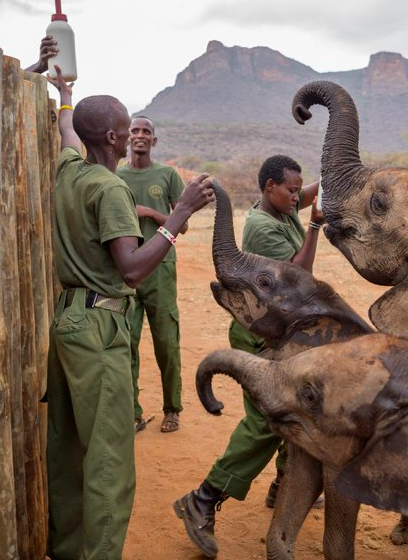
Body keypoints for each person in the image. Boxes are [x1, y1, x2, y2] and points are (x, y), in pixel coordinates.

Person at [45, 65, 214, 560]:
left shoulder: (69, 170)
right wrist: (178, 216)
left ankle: (68, 549)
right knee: (110, 461)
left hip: (69, 321)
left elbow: (66, 131)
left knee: (70, 451)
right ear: (117, 137)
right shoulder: (110, 189)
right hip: (100, 329)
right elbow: (133, 269)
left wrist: (65, 96)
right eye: (126, 128)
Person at [173, 155, 324, 559]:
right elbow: (298, 275)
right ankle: (203, 498)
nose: (297, 196)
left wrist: (330, 177)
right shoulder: (262, 226)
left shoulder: (283, 206)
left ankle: (283, 484)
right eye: (290, 190)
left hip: (276, 331)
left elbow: (310, 193)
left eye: (298, 189)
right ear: (269, 187)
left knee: (288, 406)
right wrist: (314, 225)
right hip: (255, 334)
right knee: (265, 420)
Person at [116, 116, 186, 434]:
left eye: (146, 132)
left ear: (154, 141)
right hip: (127, 270)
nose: (140, 135)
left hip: (160, 269)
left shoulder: (167, 175)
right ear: (127, 138)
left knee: (166, 342)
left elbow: (181, 224)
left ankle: (172, 409)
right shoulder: (116, 176)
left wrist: (151, 213)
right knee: (126, 342)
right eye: (135, 131)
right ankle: (132, 412)